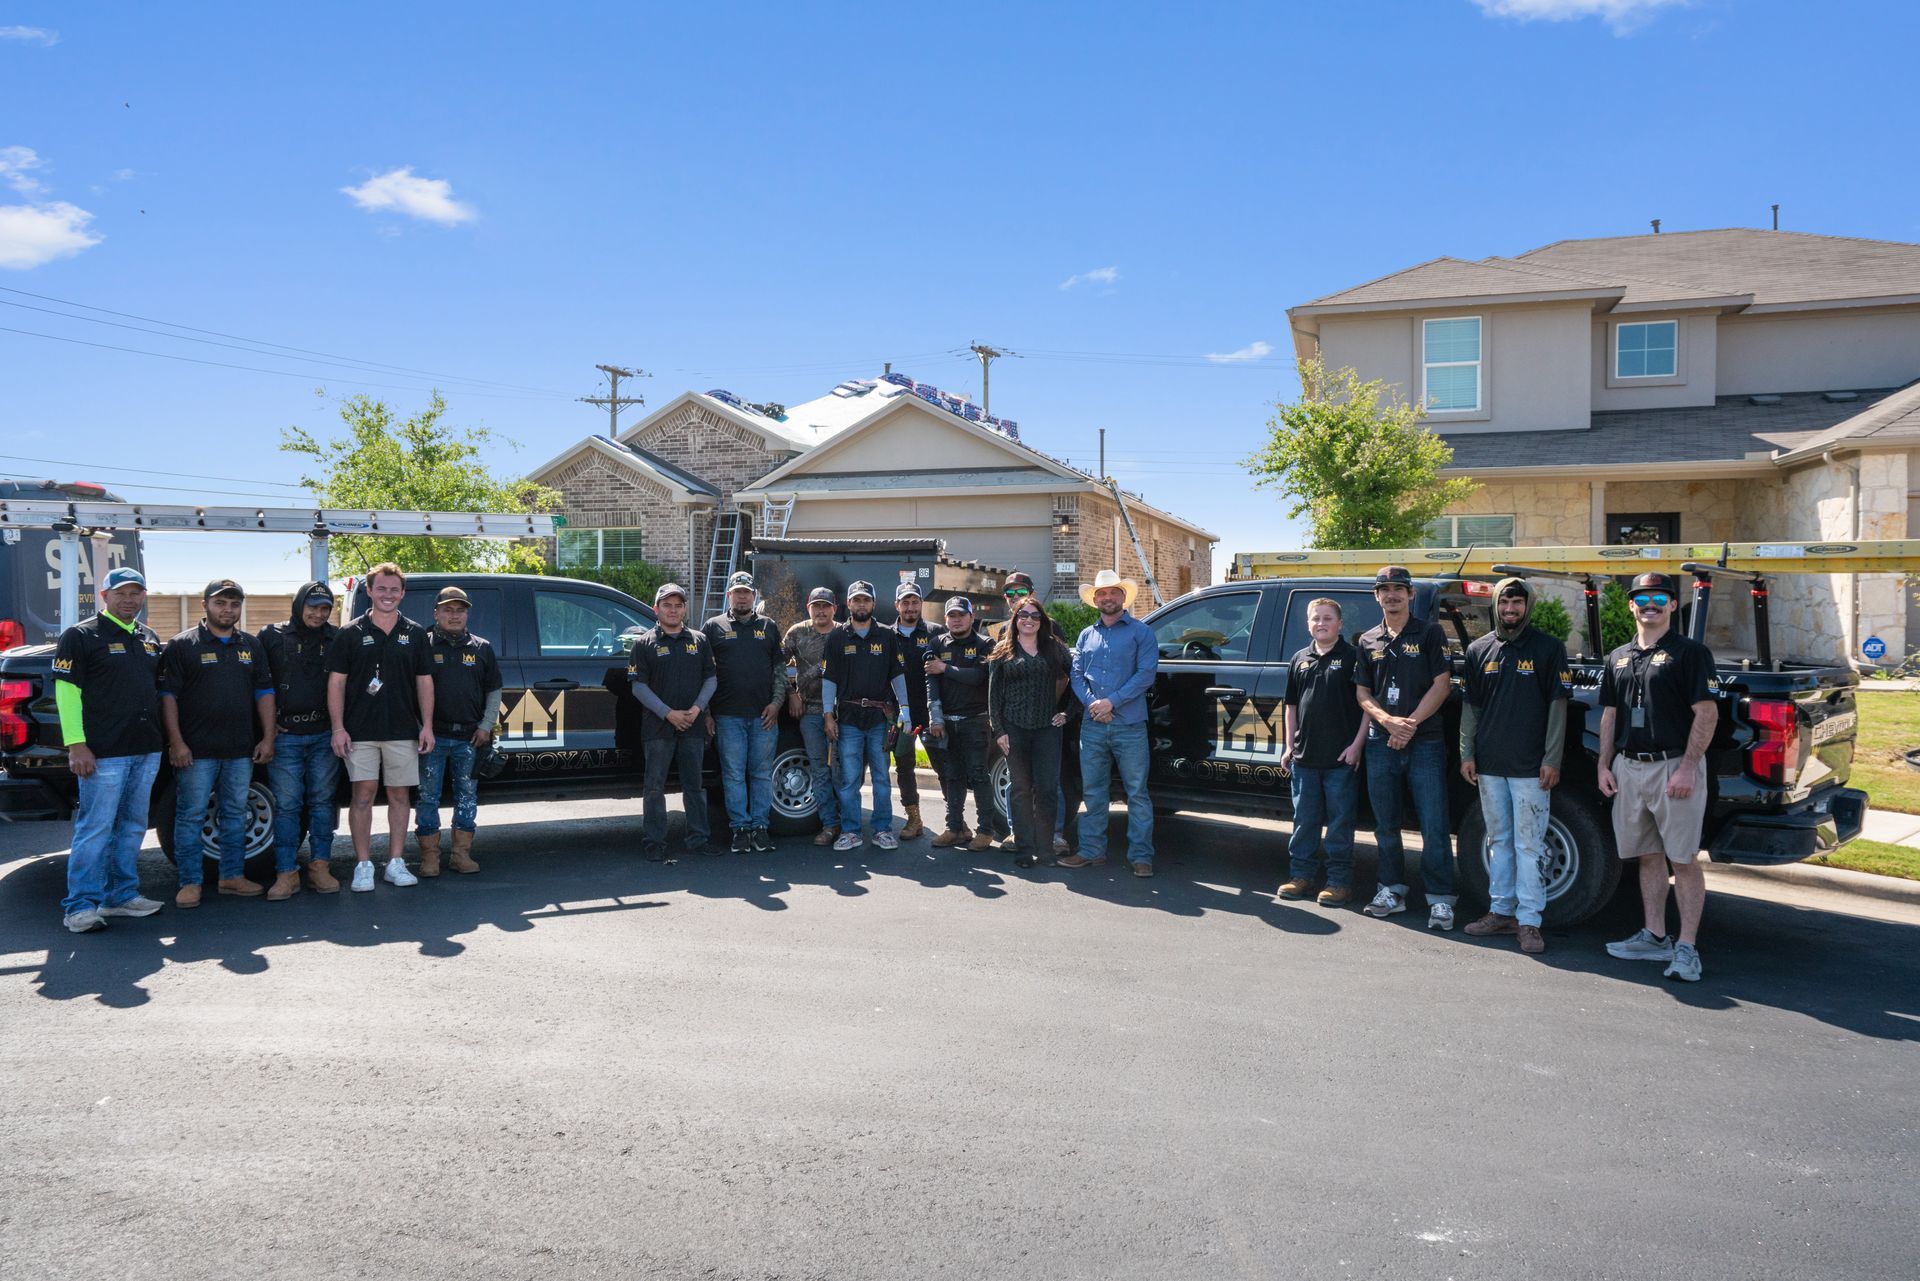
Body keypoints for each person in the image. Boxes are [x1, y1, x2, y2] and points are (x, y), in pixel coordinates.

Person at [1598, 572, 1719, 982]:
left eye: (1660, 598)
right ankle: (1654, 937)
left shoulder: (1690, 653)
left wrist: (1687, 767)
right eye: (1643, 598)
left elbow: (1706, 713)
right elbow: (1610, 714)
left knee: (1682, 859)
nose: (1651, 605)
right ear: (1631, 605)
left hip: (1673, 768)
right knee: (1648, 855)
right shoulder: (1618, 657)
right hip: (1629, 768)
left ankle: (1687, 947)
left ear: (1671, 605)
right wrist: (1604, 764)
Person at [53, 566, 168, 933]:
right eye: (121, 593)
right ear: (104, 596)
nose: (129, 599)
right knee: (95, 829)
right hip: (103, 753)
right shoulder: (80, 636)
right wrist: (76, 745)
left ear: (143, 596)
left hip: (146, 749)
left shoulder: (148, 637)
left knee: (133, 827)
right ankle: (80, 907)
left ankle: (121, 896)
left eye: (135, 593)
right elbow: (66, 693)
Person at [1460, 578, 1573, 954]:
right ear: (1495, 605)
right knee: (1498, 841)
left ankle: (1529, 922)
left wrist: (1552, 759)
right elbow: (1471, 708)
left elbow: (1558, 707)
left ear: (1528, 606)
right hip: (1490, 765)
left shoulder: (1548, 648)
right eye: (1504, 602)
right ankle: (1500, 912)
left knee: (1529, 845)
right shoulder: (1479, 649)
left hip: (1531, 768)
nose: (1510, 609)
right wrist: (1466, 753)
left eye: (1517, 603)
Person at [158, 579, 276, 908]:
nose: (228, 610)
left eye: (234, 604)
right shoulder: (182, 645)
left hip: (240, 750)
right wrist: (176, 742)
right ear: (205, 605)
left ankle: (231, 877)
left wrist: (268, 737)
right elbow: (168, 697)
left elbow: (265, 693)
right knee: (191, 816)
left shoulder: (251, 645)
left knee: (235, 814)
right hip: (196, 752)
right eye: (221, 603)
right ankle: (190, 882)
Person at [1353, 565, 1458, 928]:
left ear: (1411, 594)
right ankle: (1390, 890)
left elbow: (1442, 685)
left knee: (1434, 824)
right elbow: (1362, 693)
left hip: (1424, 742)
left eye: (1399, 589)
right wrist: (1388, 722)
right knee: (1386, 824)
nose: (1392, 595)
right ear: (1376, 596)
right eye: (1385, 589)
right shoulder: (1367, 640)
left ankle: (1441, 899)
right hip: (1381, 742)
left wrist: (1407, 725)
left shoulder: (1430, 633)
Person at [326, 562, 435, 893]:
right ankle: (363, 865)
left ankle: (395, 863)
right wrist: (338, 728)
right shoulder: (349, 633)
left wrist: (427, 726)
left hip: (403, 730)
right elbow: (336, 683)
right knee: (362, 795)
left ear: (403, 593)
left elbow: (425, 682)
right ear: (370, 591)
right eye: (381, 589)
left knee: (400, 795)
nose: (388, 595)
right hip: (359, 731)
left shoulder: (415, 634)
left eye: (394, 589)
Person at [1059, 568, 1159, 877]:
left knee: (1137, 793)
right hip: (1093, 726)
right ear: (1095, 600)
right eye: (1102, 593)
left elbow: (1145, 675)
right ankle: (1091, 851)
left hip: (1130, 725)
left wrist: (1111, 702)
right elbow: (1077, 675)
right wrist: (1094, 704)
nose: (1108, 597)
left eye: (1114, 592)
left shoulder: (1142, 632)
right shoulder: (1086, 635)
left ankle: (1141, 856)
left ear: (1123, 597)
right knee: (1093, 792)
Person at [1278, 597, 1367, 907]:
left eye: (1328, 618)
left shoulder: (1353, 657)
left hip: (1341, 759)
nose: (1321, 623)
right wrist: (1289, 746)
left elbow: (1367, 706)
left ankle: (1339, 883)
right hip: (1304, 759)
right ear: (1308, 624)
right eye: (1316, 618)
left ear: (1340, 624)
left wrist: (1357, 746)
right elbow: (1290, 706)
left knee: (1340, 825)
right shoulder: (1299, 659)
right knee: (1304, 822)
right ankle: (1300, 877)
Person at [260, 580, 342, 895]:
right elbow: (257, 684)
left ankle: (320, 867)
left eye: (325, 608)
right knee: (287, 806)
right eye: (312, 607)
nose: (318, 614)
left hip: (324, 734)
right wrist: (266, 726)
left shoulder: (337, 638)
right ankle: (286, 873)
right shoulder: (272, 636)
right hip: (286, 736)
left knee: (322, 803)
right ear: (299, 606)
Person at [416, 585, 502, 876]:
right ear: (436, 613)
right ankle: (429, 857)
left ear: (467, 615)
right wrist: (421, 729)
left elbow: (494, 691)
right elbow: (409, 690)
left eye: (460, 610)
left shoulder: (482, 648)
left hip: (470, 738)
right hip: (432, 737)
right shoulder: (423, 646)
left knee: (467, 795)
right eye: (448, 610)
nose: (454, 616)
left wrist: (486, 726)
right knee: (428, 797)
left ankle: (461, 855)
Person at [629, 582, 715, 861]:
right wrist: (668, 713)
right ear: (656, 609)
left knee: (694, 786)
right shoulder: (644, 643)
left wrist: (697, 709)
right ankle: (654, 842)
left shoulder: (699, 640)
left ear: (684, 609)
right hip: (658, 727)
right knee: (654, 787)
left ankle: (699, 839)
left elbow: (711, 679)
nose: (673, 610)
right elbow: (638, 687)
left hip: (692, 725)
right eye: (667, 605)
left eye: (678, 605)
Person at [822, 581, 911, 851]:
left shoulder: (886, 635)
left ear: (873, 603)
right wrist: (828, 715)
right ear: (848, 604)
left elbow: (897, 674)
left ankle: (882, 830)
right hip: (848, 718)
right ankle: (851, 831)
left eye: (866, 600)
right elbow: (829, 679)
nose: (861, 604)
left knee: (882, 777)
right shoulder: (837, 637)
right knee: (850, 779)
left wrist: (905, 709)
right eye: (856, 600)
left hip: (879, 718)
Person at [704, 570, 787, 853]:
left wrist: (776, 704)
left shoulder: (769, 626)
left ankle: (760, 827)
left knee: (761, 774)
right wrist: (707, 713)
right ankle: (739, 828)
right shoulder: (713, 627)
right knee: (733, 775)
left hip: (764, 716)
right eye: (737, 592)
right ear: (729, 595)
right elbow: (704, 673)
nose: (742, 597)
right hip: (727, 716)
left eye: (747, 593)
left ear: (754, 596)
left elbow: (779, 671)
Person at [988, 599, 1072, 868]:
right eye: (1023, 615)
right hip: (1014, 728)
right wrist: (999, 730)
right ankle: (1024, 849)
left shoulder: (1055, 648)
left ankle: (1045, 850)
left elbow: (1078, 679)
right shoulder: (1003, 650)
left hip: (1047, 729)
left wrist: (1068, 712)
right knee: (1021, 789)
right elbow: (993, 695)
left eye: (1035, 616)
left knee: (1047, 790)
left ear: (1042, 621)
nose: (1029, 620)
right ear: (1015, 619)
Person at [925, 597, 1005, 850]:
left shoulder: (985, 644)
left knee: (979, 775)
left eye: (961, 615)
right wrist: (935, 717)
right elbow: (931, 681)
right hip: (946, 722)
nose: (956, 620)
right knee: (953, 776)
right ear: (946, 619)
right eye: (952, 615)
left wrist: (945, 668)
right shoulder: (937, 643)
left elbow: (979, 677)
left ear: (971, 617)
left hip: (976, 720)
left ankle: (985, 830)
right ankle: (955, 828)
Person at [783, 586, 842, 847]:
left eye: (825, 606)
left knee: (843, 771)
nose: (821, 611)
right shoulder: (797, 633)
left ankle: (849, 824)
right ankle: (829, 824)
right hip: (810, 712)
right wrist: (790, 693)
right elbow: (776, 664)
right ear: (808, 608)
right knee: (819, 770)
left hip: (843, 713)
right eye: (816, 606)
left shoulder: (844, 633)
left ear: (834, 609)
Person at [889, 581, 943, 841]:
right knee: (904, 764)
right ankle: (914, 819)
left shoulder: (936, 633)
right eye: (905, 602)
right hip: (901, 713)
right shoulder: (886, 635)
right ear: (896, 605)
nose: (910, 607)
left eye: (914, 602)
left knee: (944, 765)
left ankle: (955, 823)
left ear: (921, 603)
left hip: (930, 711)